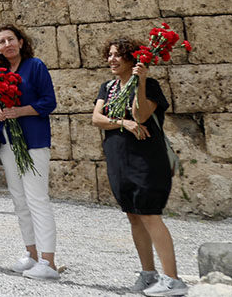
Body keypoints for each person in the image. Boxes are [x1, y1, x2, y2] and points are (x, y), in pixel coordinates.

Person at [92, 37, 186, 296]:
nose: (112, 59)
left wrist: (141, 82)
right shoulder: (107, 87)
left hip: (146, 159)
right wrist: (124, 124)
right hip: (118, 158)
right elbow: (96, 118)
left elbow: (141, 115)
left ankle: (173, 279)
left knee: (149, 213)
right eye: (109, 54)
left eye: (118, 55)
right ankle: (148, 274)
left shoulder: (151, 85)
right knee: (133, 214)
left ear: (132, 59)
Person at [0, 23, 60, 280]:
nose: (7, 44)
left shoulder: (36, 66)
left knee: (37, 199)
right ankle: (31, 254)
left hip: (33, 140)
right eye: (1, 42)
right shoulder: (1, 72)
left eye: (10, 39)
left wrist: (19, 111)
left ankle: (49, 261)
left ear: (20, 41)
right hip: (9, 141)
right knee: (19, 199)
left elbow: (48, 102)